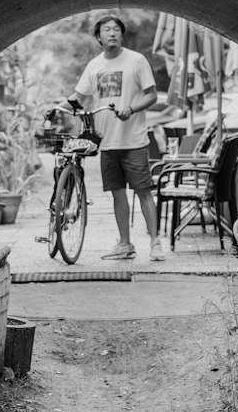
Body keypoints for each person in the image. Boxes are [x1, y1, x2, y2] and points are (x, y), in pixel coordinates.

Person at [65, 14, 165, 261]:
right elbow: (78, 97)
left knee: (143, 191)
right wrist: (57, 108)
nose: (112, 33)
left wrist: (131, 109)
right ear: (98, 37)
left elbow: (151, 95)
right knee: (117, 193)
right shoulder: (94, 65)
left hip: (134, 141)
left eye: (116, 29)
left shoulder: (136, 60)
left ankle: (155, 243)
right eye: (106, 30)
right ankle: (125, 243)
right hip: (106, 142)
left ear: (122, 34)